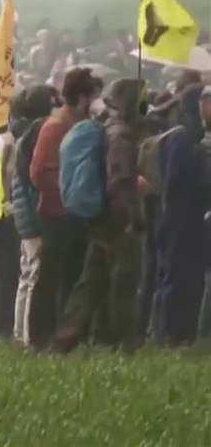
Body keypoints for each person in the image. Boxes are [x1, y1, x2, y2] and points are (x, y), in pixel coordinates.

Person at [54, 78, 147, 352]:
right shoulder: (121, 135)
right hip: (116, 218)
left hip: (102, 216)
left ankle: (66, 337)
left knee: (91, 281)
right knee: (124, 280)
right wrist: (132, 217)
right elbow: (120, 179)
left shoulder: (107, 128)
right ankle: (126, 343)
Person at [27, 68, 101, 348]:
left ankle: (66, 333)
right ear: (83, 97)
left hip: (77, 213)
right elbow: (39, 172)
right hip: (57, 214)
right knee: (50, 275)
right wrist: (69, 194)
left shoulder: (82, 124)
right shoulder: (57, 125)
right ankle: (40, 335)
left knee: (73, 273)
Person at [154, 84, 210, 346]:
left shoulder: (191, 136)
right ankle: (171, 333)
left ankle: (183, 332)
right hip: (179, 216)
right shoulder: (182, 138)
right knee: (175, 275)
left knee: (190, 276)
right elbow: (176, 179)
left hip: (191, 217)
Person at [6, 86, 57, 346]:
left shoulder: (22, 132)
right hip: (32, 213)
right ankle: (28, 334)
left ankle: (19, 332)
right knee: (34, 274)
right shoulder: (38, 132)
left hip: (22, 212)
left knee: (26, 275)